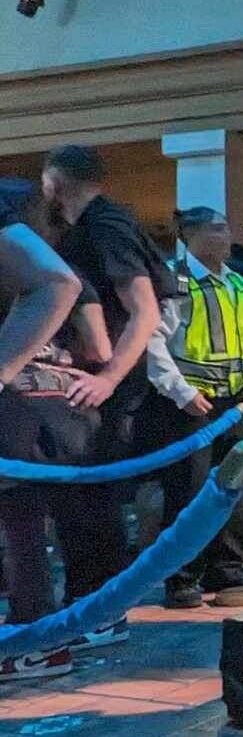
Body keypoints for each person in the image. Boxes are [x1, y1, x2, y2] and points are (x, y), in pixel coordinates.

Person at [41, 145, 173, 646]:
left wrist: (109, 378)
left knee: (92, 498)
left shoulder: (104, 224)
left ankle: (100, 612)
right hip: (99, 382)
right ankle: (94, 608)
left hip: (105, 386)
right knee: (85, 500)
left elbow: (144, 310)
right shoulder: (102, 223)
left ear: (56, 181)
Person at [145, 207, 243, 607]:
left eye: (226, 227)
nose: (226, 235)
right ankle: (182, 577)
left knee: (233, 489)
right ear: (188, 235)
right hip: (191, 404)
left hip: (237, 403)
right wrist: (180, 392)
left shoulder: (238, 282)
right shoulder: (174, 279)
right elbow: (153, 340)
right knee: (188, 492)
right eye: (216, 228)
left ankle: (227, 569)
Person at [0, 191, 90, 681]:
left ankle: (34, 639)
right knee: (27, 527)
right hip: (46, 409)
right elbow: (96, 342)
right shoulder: (49, 259)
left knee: (21, 528)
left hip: (16, 408)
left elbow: (58, 284)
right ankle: (38, 639)